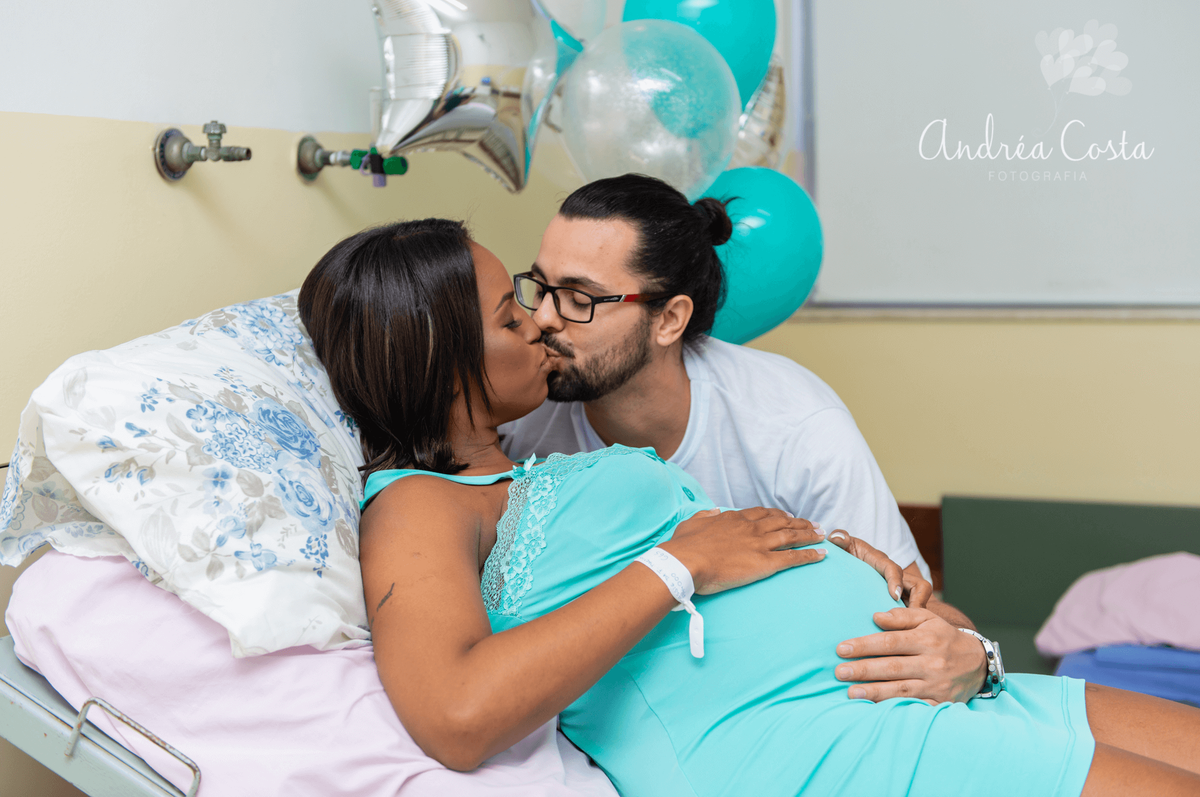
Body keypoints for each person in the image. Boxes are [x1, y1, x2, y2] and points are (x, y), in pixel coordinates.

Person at [297, 218, 1200, 796]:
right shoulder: (417, 502)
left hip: (901, 690)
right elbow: (455, 714)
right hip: (806, 744)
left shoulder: (537, 453)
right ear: (438, 357)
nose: (541, 322)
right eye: (510, 314)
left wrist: (848, 567)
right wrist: (682, 562)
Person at [499, 173, 982, 704]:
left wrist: (979, 657)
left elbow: (921, 616)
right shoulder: (519, 412)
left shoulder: (794, 424)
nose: (542, 318)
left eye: (578, 298)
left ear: (670, 319)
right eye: (540, 288)